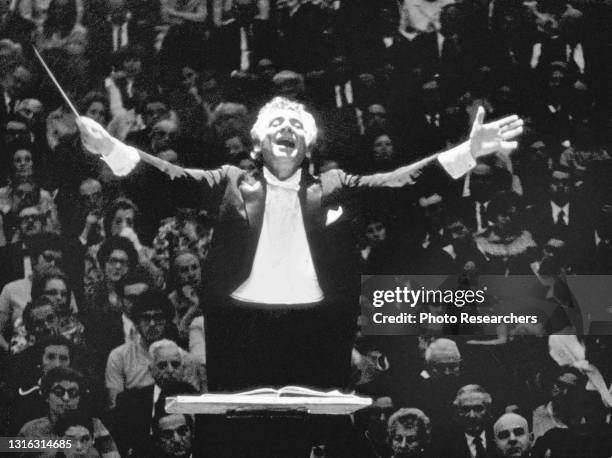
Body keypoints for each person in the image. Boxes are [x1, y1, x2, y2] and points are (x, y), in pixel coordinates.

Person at [77, 97, 523, 394]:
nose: (286, 129)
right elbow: (169, 180)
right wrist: (111, 147)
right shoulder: (231, 183)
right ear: (257, 142)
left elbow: (398, 184)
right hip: (242, 330)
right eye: (276, 124)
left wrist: (467, 152)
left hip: (316, 330)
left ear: (307, 144)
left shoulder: (332, 185)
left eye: (295, 125)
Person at [17, 366, 120, 458]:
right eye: (58, 392)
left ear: (79, 397)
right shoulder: (31, 430)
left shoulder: (96, 425)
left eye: (73, 392)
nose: (66, 398)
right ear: (46, 396)